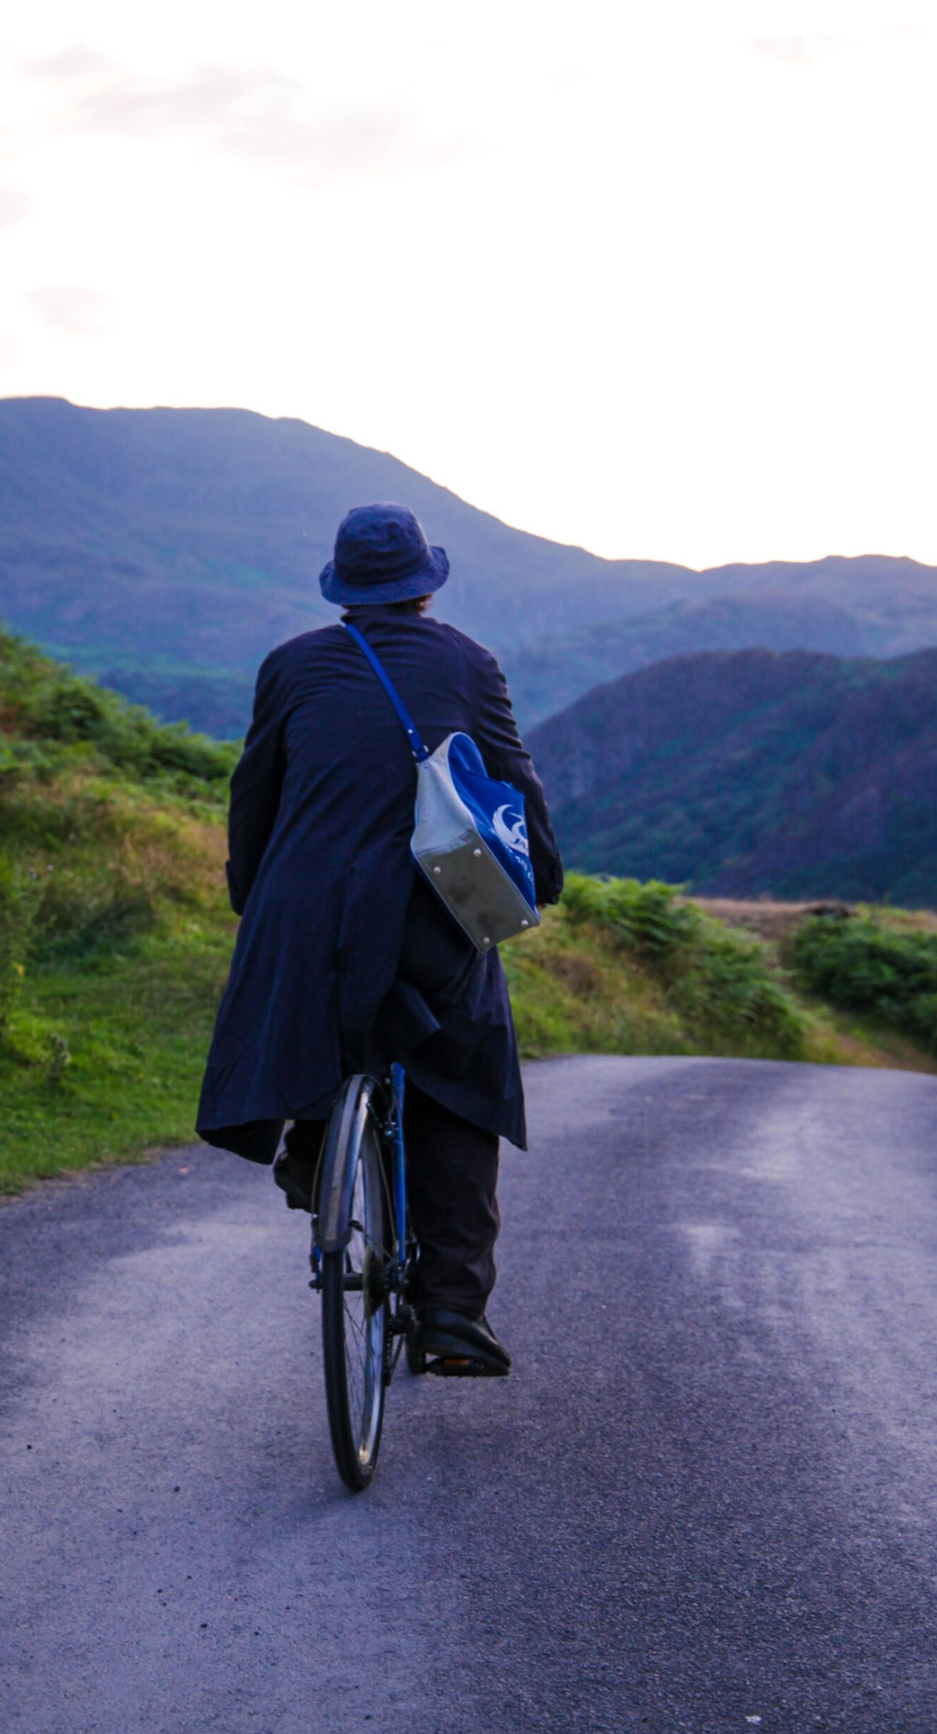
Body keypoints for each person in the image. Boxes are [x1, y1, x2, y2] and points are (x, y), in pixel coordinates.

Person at [196, 503, 562, 1374]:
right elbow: (512, 779)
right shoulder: (470, 663)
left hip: (307, 907)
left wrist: (257, 898)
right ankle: (450, 1310)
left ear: (344, 590)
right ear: (424, 587)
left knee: (318, 1007)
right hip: (430, 907)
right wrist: (539, 878)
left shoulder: (290, 666)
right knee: (461, 1074)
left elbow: (256, 793)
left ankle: (316, 1145)